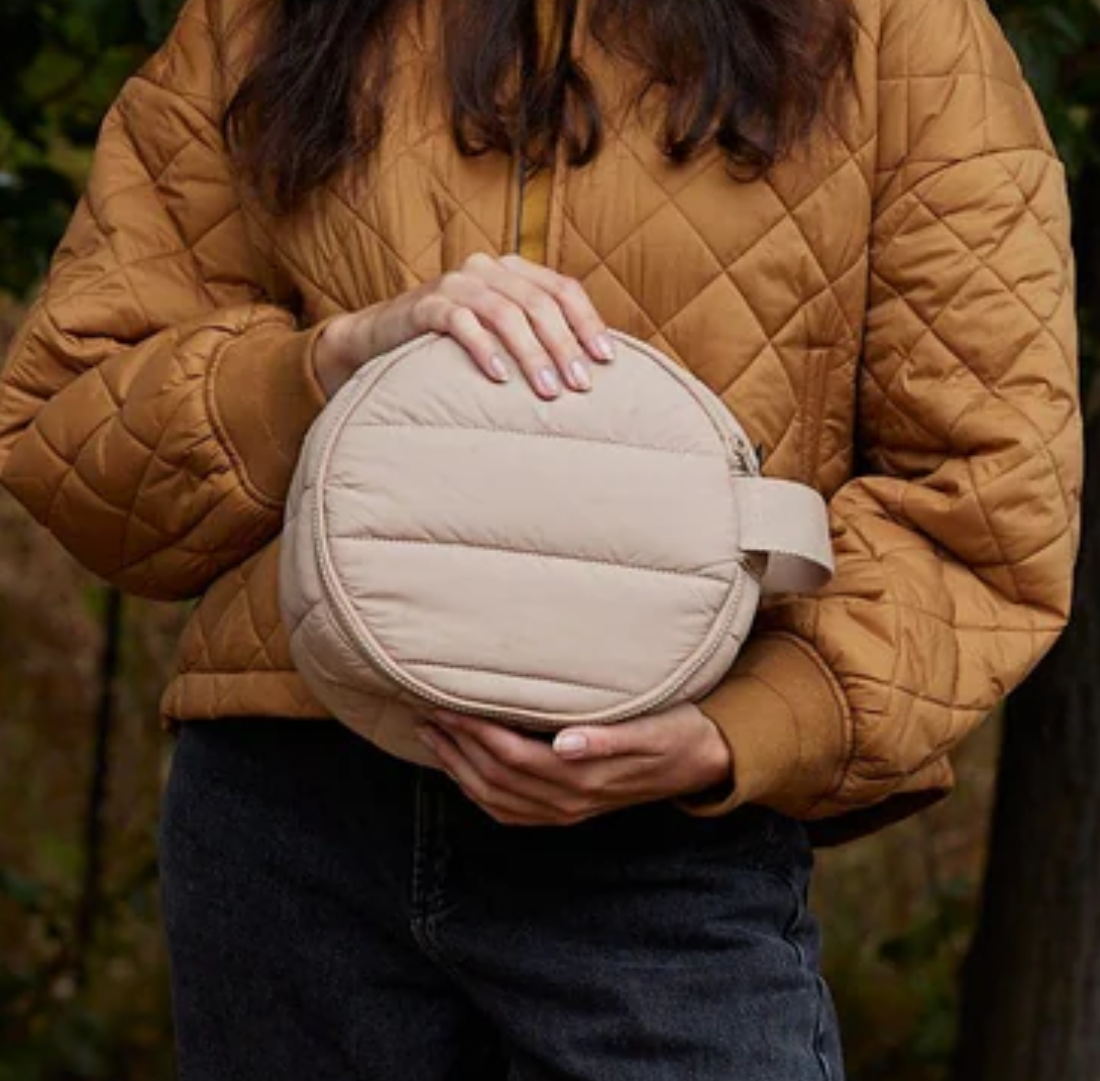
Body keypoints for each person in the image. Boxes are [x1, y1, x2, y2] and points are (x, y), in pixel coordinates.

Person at [0, 0, 1083, 1076]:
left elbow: (984, 498)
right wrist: (330, 364)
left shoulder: (901, 31)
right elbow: (66, 425)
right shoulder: (260, 18)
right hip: (293, 823)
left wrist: (737, 731)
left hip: (661, 848)